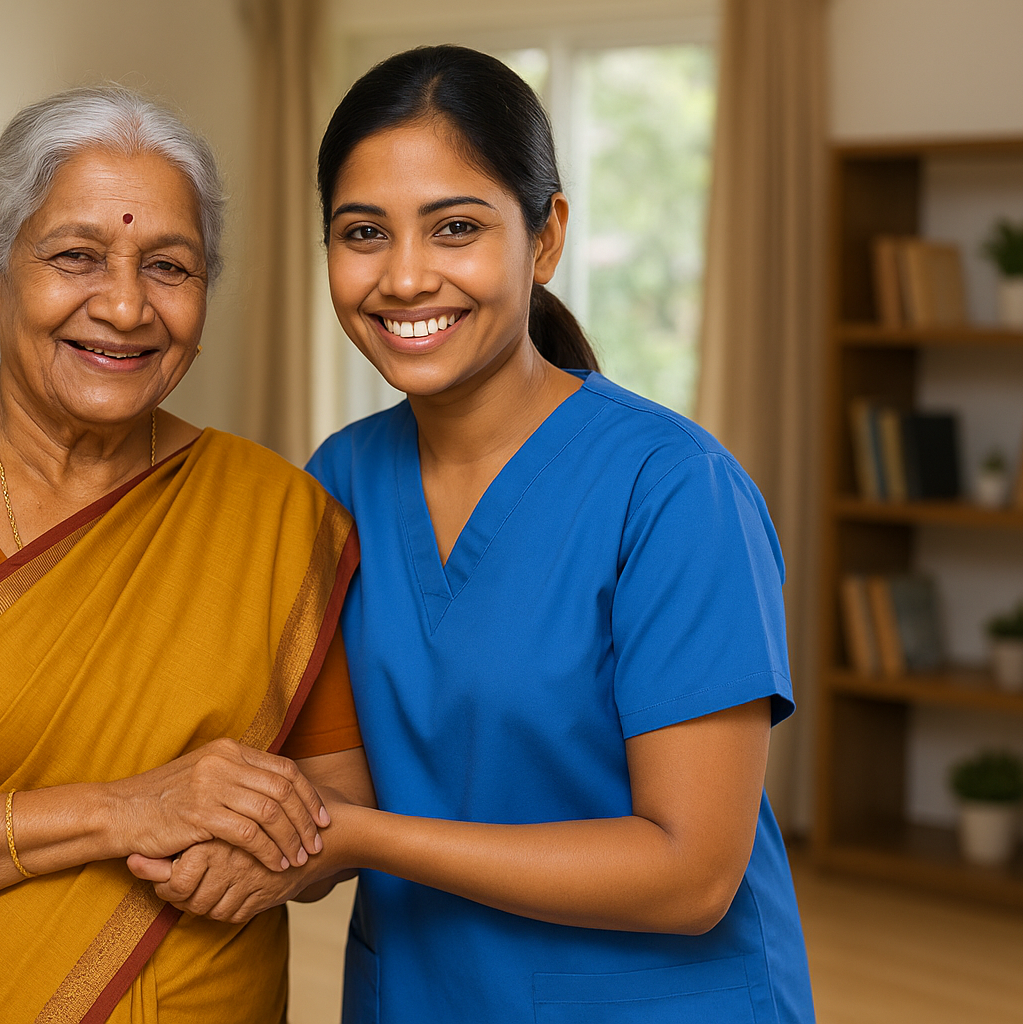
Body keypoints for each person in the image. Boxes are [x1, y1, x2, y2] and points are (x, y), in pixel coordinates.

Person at [132, 46, 815, 1022]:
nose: (405, 278)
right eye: (363, 231)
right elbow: (316, 784)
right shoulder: (338, 480)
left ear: (545, 238)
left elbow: (689, 872)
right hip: (415, 993)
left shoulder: (675, 492)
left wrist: (366, 838)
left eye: (455, 228)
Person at [0, 86, 370, 1024]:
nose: (125, 306)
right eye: (76, 256)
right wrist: (128, 810)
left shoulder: (278, 511)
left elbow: (335, 806)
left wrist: (265, 852)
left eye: (169, 266)